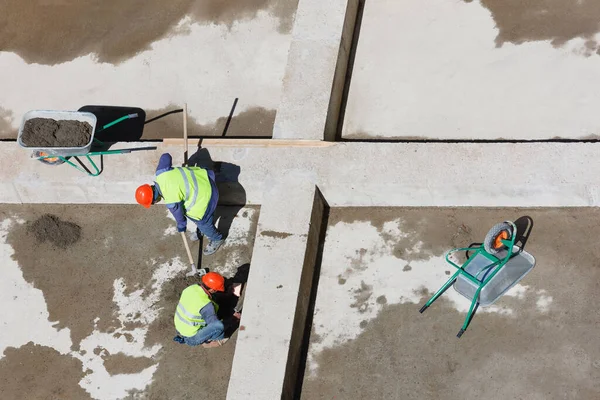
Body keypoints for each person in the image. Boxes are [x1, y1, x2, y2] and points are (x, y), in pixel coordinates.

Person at [135, 153, 224, 255]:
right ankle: (203, 229)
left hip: (207, 198)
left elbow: (180, 216)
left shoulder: (171, 200)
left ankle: (216, 238)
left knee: (203, 222)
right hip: (207, 180)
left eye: (152, 203)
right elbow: (166, 156)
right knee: (201, 214)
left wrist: (181, 226)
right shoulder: (160, 172)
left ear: (153, 200)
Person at [172, 272, 229, 348]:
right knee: (219, 326)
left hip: (180, 328)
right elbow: (214, 323)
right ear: (212, 290)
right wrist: (233, 319)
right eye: (217, 289)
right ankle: (214, 340)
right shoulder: (206, 306)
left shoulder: (191, 288)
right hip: (191, 338)